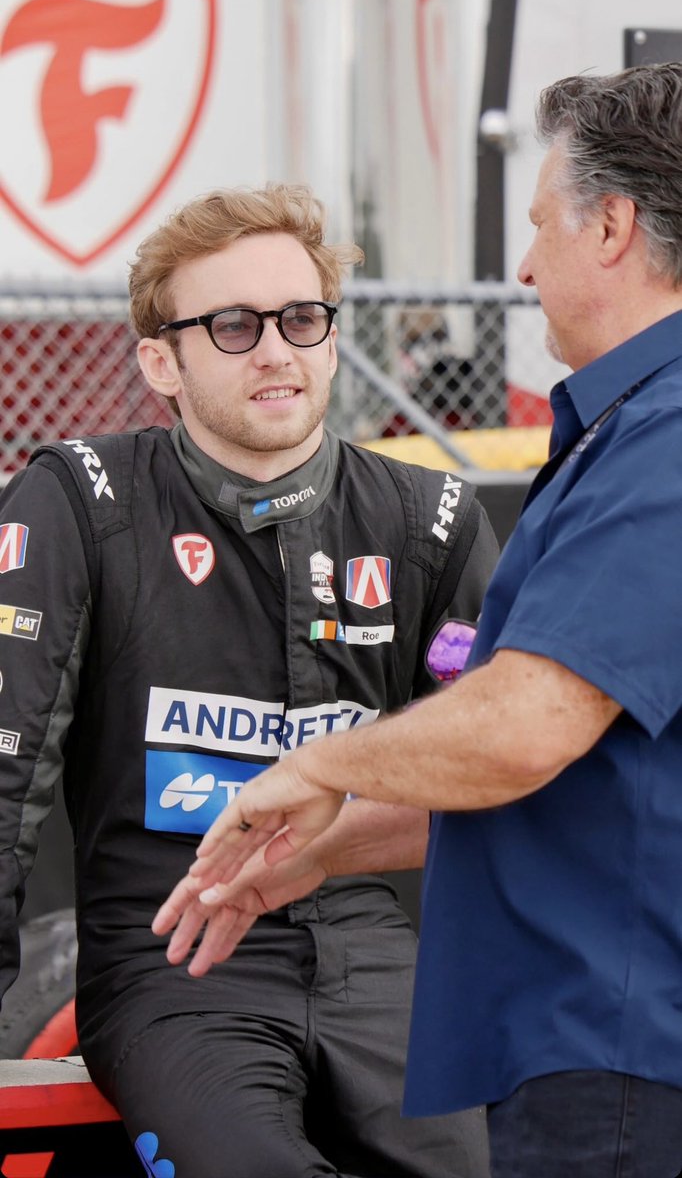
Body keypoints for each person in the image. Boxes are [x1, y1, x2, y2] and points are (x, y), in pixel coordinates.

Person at [155, 63, 682, 1178]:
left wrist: (324, 766)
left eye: (539, 225)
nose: (525, 265)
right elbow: (560, 784)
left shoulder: (664, 441)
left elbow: (524, 727)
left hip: (624, 1054)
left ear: (615, 226)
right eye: (235, 324)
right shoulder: (627, 436)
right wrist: (332, 848)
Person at [0, 184, 497, 1177]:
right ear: (159, 361)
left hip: (376, 954)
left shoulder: (426, 518)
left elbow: (500, 765)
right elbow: (8, 779)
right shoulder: (79, 498)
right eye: (231, 325)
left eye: (301, 318)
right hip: (172, 956)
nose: (275, 349)